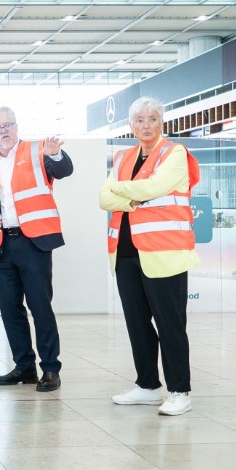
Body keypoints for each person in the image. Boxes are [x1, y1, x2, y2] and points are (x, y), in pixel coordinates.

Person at [99, 96, 200, 417]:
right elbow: (103, 197)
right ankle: (147, 385)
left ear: (162, 122)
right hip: (126, 252)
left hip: (164, 251)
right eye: (139, 120)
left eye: (152, 118)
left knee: (170, 324)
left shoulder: (175, 153)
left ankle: (180, 390)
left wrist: (124, 191)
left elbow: (154, 187)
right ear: (130, 126)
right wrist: (132, 195)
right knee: (137, 323)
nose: (146, 125)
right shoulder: (123, 156)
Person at [0, 106, 73, 392]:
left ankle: (51, 369)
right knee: (10, 308)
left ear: (16, 127)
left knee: (40, 306)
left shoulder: (39, 150)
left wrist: (55, 154)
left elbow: (63, 170)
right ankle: (24, 366)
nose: (3, 131)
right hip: (1, 244)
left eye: (7, 125)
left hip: (34, 241)